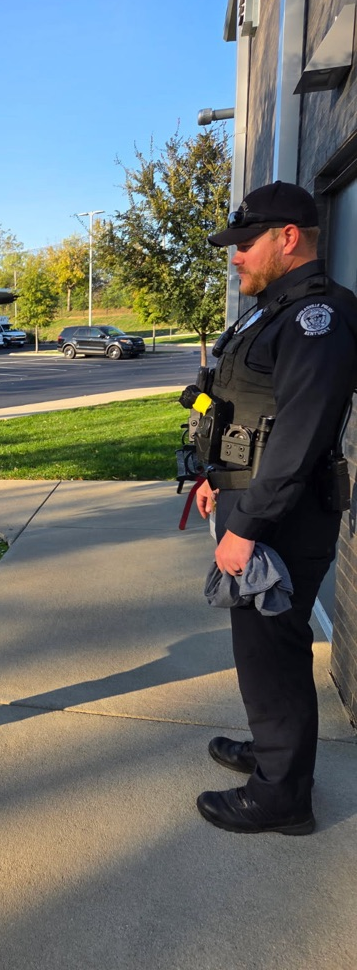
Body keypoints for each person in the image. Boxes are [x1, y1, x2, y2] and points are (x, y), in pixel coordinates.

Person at [191, 181, 357, 834]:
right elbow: (246, 410)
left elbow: (299, 438)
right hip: (251, 500)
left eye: (245, 243)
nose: (235, 257)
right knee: (258, 649)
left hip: (281, 518)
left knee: (276, 652)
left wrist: (249, 527)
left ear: (288, 238)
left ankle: (283, 796)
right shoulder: (272, 311)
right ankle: (271, 750)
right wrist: (216, 477)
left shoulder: (320, 317)